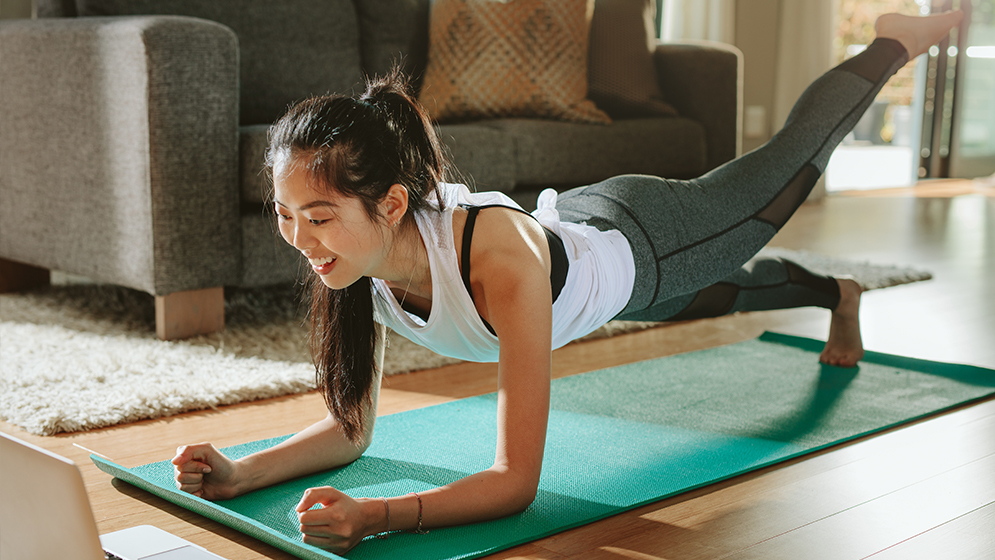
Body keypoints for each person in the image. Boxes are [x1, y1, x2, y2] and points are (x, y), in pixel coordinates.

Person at [173, 11, 963, 554]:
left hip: (646, 237)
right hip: (599, 260)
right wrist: (243, 472)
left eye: (315, 215)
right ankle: (838, 296)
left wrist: (378, 517)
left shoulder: (494, 258)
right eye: (282, 215)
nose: (298, 240)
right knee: (729, 294)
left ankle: (889, 43)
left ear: (388, 203)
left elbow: (514, 482)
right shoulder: (351, 256)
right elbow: (352, 429)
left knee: (780, 176)